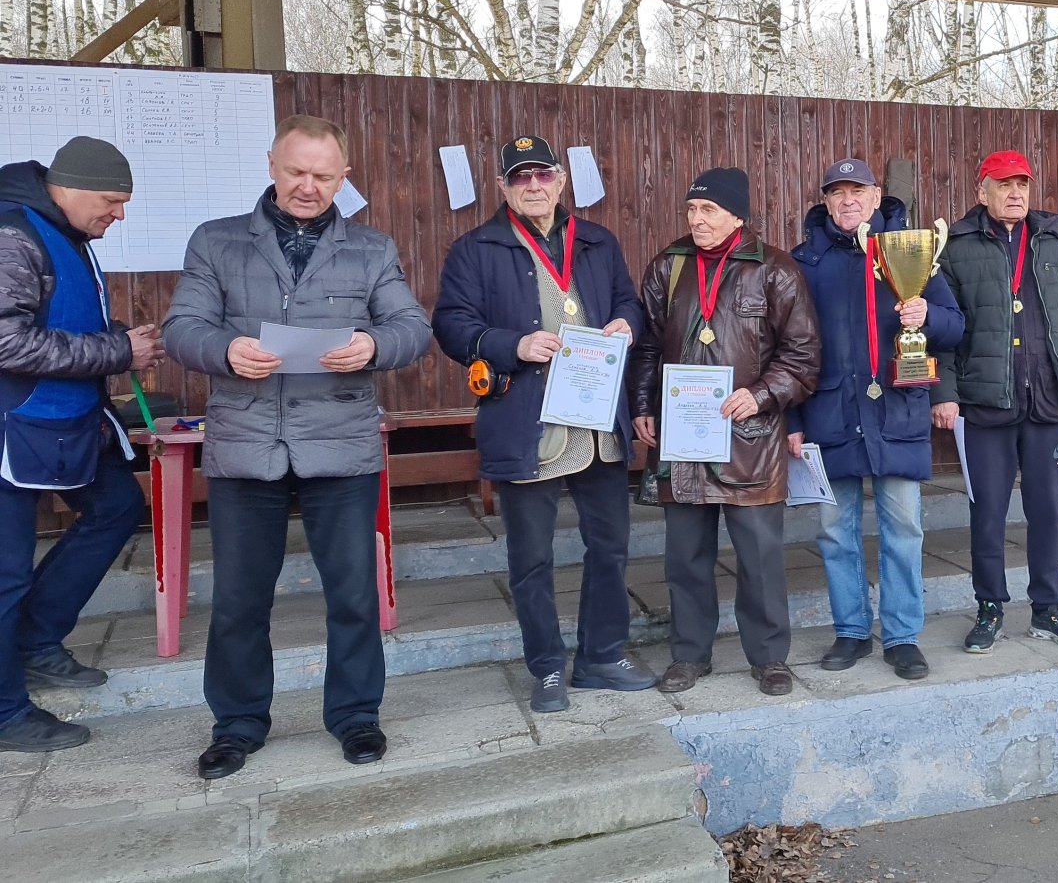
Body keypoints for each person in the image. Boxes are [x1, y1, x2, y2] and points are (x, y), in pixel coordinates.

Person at [164, 116, 432, 778]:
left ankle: (356, 715)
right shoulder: (217, 241)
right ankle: (237, 723)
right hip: (245, 445)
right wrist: (225, 349)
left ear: (343, 178)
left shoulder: (370, 249)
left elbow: (412, 327)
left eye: (323, 175)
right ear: (271, 166)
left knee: (354, 595)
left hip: (340, 445)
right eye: (296, 172)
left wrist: (372, 345)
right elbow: (182, 328)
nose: (308, 186)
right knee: (238, 600)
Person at [432, 136, 654, 714]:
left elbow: (629, 301)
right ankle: (548, 666)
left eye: (542, 174)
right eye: (519, 177)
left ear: (561, 180)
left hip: (597, 424)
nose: (533, 185)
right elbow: (452, 325)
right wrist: (514, 344)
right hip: (525, 422)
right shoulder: (475, 248)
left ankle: (602, 655)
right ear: (503, 187)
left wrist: (626, 324)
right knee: (531, 559)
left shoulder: (599, 241)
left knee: (610, 547)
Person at [0, 138, 164, 752]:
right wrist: (118, 351)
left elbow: (56, 322)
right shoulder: (12, 236)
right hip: (13, 426)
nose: (118, 215)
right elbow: (6, 342)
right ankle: (6, 714)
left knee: (116, 507)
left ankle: (36, 639)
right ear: (68, 188)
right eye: (111, 201)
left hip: (68, 419)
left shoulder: (64, 233)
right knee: (5, 571)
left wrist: (121, 340)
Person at [631, 168, 819, 697]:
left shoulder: (776, 270)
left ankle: (770, 658)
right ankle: (689, 655)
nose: (697, 220)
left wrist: (759, 394)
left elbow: (804, 356)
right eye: (691, 209)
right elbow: (647, 345)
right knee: (685, 558)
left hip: (750, 439)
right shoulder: (668, 266)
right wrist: (643, 405)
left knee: (760, 560)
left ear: (737, 215)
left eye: (708, 210)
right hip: (683, 440)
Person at [787, 158, 964, 681]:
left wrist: (927, 316)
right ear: (825, 201)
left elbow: (955, 326)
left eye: (857, 191)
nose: (848, 201)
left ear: (875, 195)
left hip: (896, 409)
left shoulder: (910, 249)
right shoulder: (804, 262)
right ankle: (851, 630)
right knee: (834, 531)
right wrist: (793, 418)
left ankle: (903, 636)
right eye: (837, 192)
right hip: (829, 412)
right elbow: (787, 347)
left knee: (904, 528)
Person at [934, 150, 1058, 653]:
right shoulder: (956, 247)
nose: (1015, 193)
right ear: (982, 191)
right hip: (985, 403)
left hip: (1048, 401)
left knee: (1046, 511)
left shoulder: (1055, 241)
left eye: (1022, 184)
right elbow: (944, 330)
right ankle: (989, 608)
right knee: (987, 513)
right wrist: (945, 394)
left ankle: (1049, 609)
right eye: (1004, 184)